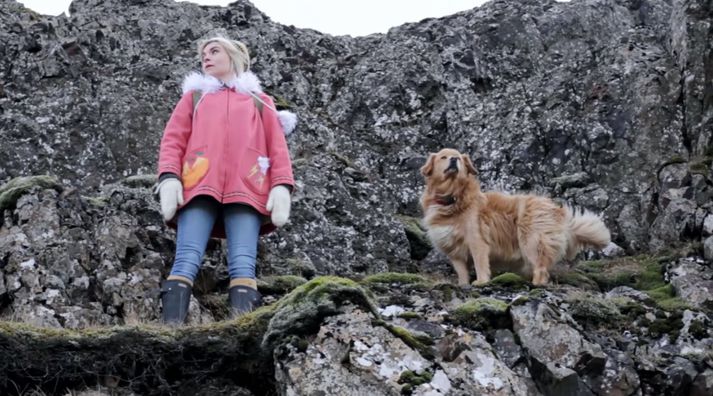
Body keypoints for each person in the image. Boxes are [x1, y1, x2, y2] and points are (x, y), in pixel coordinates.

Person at [155, 35, 296, 325]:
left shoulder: (261, 102)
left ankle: (239, 333)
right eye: (203, 53)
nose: (206, 57)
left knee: (244, 264)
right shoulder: (194, 98)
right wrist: (169, 177)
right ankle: (171, 332)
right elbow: (173, 141)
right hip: (198, 184)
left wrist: (281, 185)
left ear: (233, 56)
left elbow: (277, 147)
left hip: (249, 187)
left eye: (214, 51)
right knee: (186, 258)